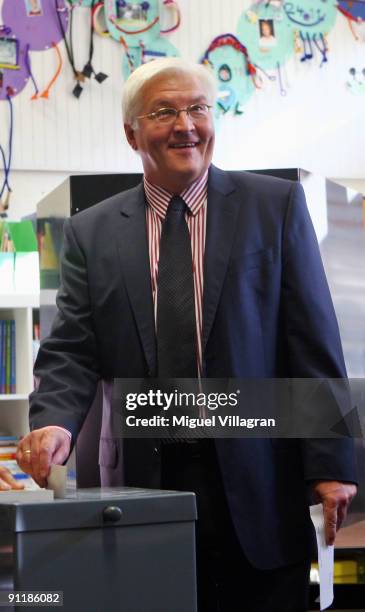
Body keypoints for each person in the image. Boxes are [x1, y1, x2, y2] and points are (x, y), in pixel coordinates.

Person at [12, 58, 357, 611]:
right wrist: (52, 421)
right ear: (132, 134)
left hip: (260, 478)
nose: (186, 124)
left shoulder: (275, 207)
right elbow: (72, 348)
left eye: (198, 108)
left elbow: (313, 346)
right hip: (140, 485)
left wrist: (332, 466)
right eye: (164, 111)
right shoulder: (90, 232)